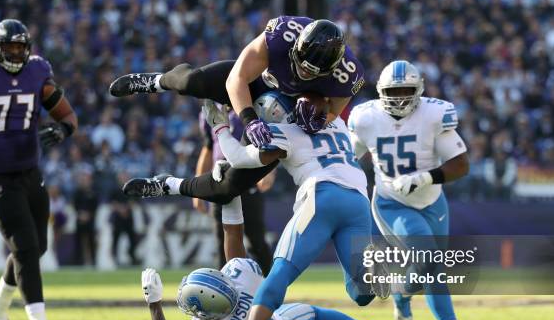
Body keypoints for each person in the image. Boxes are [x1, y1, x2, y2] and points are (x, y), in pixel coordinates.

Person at [194, 94, 399, 320]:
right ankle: (376, 271)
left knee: (280, 272)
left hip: (320, 197)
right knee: (361, 293)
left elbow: (239, 158)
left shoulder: (285, 131)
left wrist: (220, 128)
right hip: (356, 199)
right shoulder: (337, 124)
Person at [140, 196, 419, 320]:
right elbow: (233, 235)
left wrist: (153, 302)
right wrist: (230, 195)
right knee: (312, 314)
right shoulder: (243, 279)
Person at [112, 16, 365, 205]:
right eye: (301, 64)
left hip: (286, 117)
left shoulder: (348, 75)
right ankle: (154, 82)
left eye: (313, 72)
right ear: (297, 45)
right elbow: (237, 78)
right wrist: (249, 120)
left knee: (227, 189)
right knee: (193, 82)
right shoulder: (282, 33)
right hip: (256, 84)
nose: (304, 72)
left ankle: (167, 185)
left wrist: (313, 116)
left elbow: (332, 113)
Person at [348, 60, 477, 320]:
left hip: (433, 201)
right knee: (432, 263)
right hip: (392, 203)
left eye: (407, 90)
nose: (401, 97)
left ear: (419, 90)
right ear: (381, 92)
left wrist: (425, 176)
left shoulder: (434, 115)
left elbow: (461, 165)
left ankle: (400, 292)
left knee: (427, 269)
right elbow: (348, 158)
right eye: (394, 91)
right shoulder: (365, 118)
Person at [0, 19, 78, 320]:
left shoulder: (36, 72)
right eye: (9, 47)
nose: (15, 53)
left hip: (29, 171)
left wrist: (62, 130)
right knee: (25, 245)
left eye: (20, 47)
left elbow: (68, 116)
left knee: (37, 246)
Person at [194, 107, 273, 274]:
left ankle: (271, 288)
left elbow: (268, 141)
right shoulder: (209, 110)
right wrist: (197, 188)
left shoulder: (248, 106)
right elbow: (208, 148)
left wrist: (269, 171)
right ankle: (225, 291)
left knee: (256, 241)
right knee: (221, 240)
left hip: (248, 178)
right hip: (219, 180)